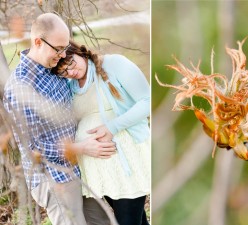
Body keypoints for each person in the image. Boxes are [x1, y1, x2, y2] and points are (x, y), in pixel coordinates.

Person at [3, 13, 116, 225]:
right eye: (58, 49)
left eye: (65, 48)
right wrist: (81, 148)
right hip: (55, 179)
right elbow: (33, 148)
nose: (63, 55)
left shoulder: (55, 69)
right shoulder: (20, 87)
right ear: (38, 42)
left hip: (80, 169)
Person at [51, 40, 151, 225]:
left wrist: (112, 127)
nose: (70, 72)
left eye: (71, 63)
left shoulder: (114, 64)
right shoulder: (71, 85)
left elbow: (147, 101)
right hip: (102, 173)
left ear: (79, 52)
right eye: (64, 71)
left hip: (127, 165)